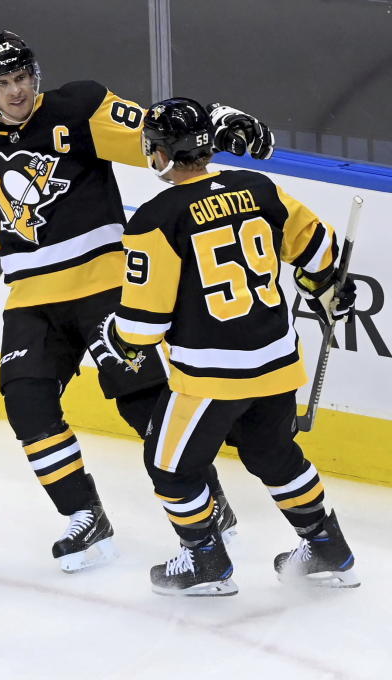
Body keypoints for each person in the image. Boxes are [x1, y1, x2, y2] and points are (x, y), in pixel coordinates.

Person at [0, 30, 272, 572]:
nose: (16, 91)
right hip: (31, 298)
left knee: (143, 402)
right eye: (3, 83)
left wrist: (214, 121)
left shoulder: (79, 106)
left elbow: (154, 133)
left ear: (34, 75)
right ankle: (84, 515)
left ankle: (208, 509)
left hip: (105, 287)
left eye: (22, 78)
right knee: (26, 404)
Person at [92, 96, 359, 595]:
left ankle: (205, 561)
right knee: (273, 452)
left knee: (169, 466)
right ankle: (328, 547)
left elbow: (144, 325)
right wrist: (327, 286)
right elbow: (318, 247)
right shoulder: (258, 187)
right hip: (278, 362)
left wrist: (116, 337)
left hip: (213, 376)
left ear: (162, 154)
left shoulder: (155, 217)